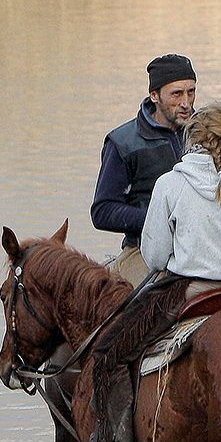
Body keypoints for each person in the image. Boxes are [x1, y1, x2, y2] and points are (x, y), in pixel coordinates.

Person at [78, 102, 221, 442]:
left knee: (109, 353)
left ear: (193, 138)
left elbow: (154, 256)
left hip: (188, 293)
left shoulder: (171, 183)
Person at [90, 54, 197, 287]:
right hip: (142, 251)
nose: (186, 103)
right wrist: (159, 219)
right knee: (161, 298)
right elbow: (102, 211)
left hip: (200, 248)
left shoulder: (206, 133)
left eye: (191, 92)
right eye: (177, 94)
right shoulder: (123, 142)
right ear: (154, 96)